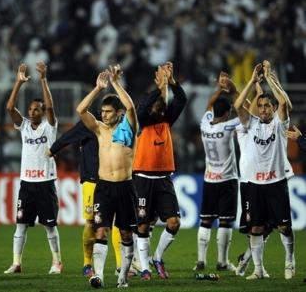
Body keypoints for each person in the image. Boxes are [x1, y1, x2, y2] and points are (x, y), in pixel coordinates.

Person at [76, 65, 138, 288]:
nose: (103, 114)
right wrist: (97, 88)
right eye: (102, 111)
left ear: (118, 113)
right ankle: (99, 275)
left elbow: (130, 107)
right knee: (100, 229)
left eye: (108, 111)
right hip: (104, 187)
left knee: (126, 234)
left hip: (125, 187)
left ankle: (123, 276)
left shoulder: (129, 128)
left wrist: (115, 84)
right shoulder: (99, 129)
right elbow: (81, 110)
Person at [234, 61, 295, 280]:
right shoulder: (250, 124)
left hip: (276, 182)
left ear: (272, 108)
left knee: (284, 227)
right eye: (260, 106)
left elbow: (283, 103)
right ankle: (258, 270)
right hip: (253, 185)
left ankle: (289, 261)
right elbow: (238, 106)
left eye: (267, 106)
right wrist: (251, 81)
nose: (263, 109)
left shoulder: (280, 124)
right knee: (256, 229)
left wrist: (269, 78)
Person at [3, 62, 62, 275]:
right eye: (30, 109)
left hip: (45, 182)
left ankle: (56, 262)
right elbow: (9, 108)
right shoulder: (25, 126)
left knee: (49, 226)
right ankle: (16, 263)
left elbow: (51, 108)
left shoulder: (50, 125)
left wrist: (44, 79)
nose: (33, 111)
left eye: (37, 109)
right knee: (20, 225)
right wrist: (18, 83)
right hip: (26, 184)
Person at [48, 119, 123, 276]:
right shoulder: (90, 123)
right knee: (91, 222)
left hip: (114, 179)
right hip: (92, 180)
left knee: (117, 223)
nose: (107, 115)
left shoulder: (121, 124)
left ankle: (120, 266)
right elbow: (68, 136)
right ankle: (87, 264)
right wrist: (53, 149)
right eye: (105, 111)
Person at [133, 62, 187, 280]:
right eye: (157, 104)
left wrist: (171, 82)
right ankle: (145, 267)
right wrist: (159, 88)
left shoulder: (167, 120)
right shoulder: (143, 121)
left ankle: (157, 257)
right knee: (143, 225)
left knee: (174, 222)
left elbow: (181, 100)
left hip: (164, 179)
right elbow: (141, 108)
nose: (160, 106)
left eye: (161, 104)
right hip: (142, 178)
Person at [194, 72, 240, 272]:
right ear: (228, 112)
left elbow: (208, 106)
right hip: (227, 179)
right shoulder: (230, 125)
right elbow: (245, 112)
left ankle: (201, 260)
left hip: (209, 179)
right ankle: (222, 261)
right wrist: (231, 89)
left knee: (205, 220)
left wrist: (219, 89)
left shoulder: (205, 123)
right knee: (225, 221)